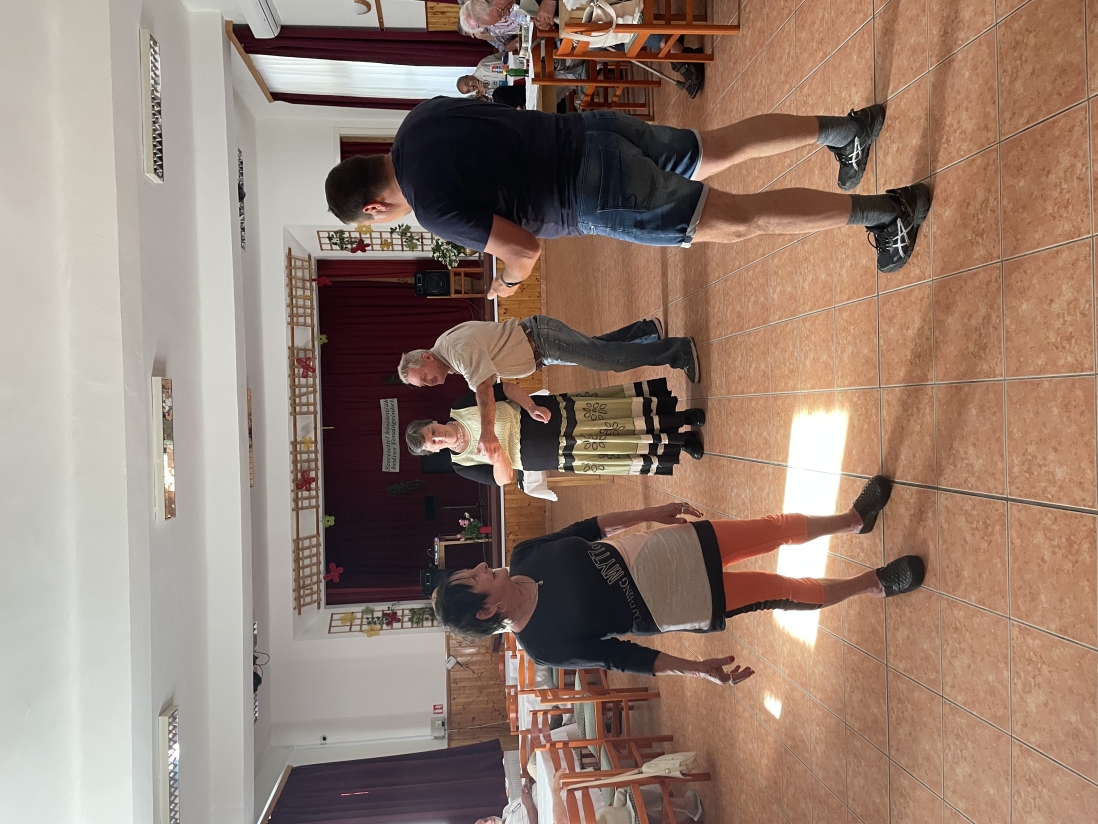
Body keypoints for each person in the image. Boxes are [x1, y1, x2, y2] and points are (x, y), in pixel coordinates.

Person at [324, 100, 930, 301]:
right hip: (592, 131)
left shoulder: (430, 206)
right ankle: (848, 130)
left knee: (741, 218)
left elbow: (524, 250)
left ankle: (890, 213)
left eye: (378, 220)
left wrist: (504, 285)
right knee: (718, 145)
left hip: (596, 195)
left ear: (372, 207)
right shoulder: (418, 120)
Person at [432, 476, 926, 679]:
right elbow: (622, 656)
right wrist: (697, 669)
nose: (481, 567)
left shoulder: (524, 555)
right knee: (782, 590)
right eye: (475, 578)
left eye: (471, 567)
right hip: (676, 600)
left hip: (665, 549)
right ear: (488, 610)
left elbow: (589, 528)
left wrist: (654, 512)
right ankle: (874, 583)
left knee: (770, 529)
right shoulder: (543, 645)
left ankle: (853, 521)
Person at [397, 316, 698, 466]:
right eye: (423, 384)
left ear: (426, 357)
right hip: (540, 347)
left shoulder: (454, 351)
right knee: (597, 349)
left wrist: (488, 434)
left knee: (608, 360)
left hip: (541, 340)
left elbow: (485, 389)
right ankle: (646, 332)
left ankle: (678, 351)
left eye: (424, 376)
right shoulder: (449, 356)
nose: (429, 382)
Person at [405, 377, 706, 489]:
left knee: (610, 416)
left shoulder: (460, 406)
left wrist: (531, 404)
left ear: (434, 421)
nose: (439, 437)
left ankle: (680, 417)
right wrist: (497, 458)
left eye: (433, 431)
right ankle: (679, 442)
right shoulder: (461, 464)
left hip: (539, 416)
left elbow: (504, 389)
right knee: (608, 443)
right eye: (434, 443)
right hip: (540, 454)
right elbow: (505, 479)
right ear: (434, 451)